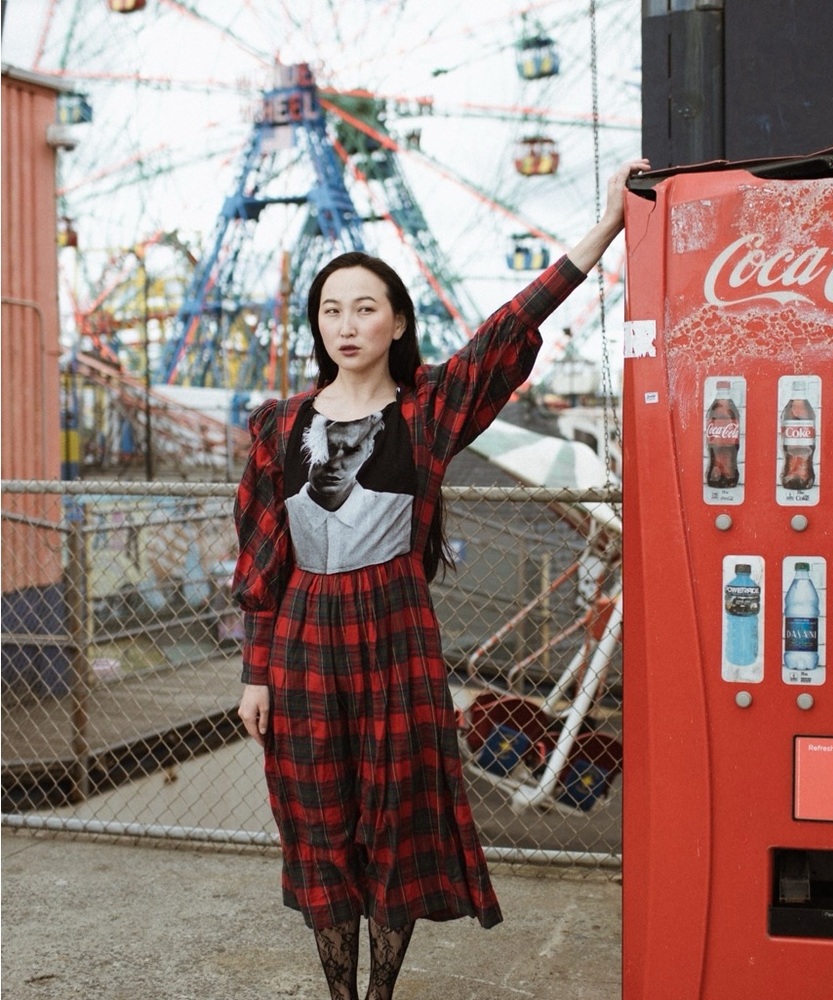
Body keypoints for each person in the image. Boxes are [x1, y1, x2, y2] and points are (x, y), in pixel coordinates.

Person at [234, 157, 649, 1000]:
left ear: (395, 323)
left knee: (398, 823)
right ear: (317, 327)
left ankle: (378, 996)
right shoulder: (278, 426)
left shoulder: (429, 409)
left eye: (364, 309)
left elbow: (509, 332)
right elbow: (260, 556)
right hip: (307, 632)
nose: (346, 325)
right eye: (330, 311)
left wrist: (606, 228)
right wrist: (255, 670)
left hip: (394, 630)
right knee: (320, 826)